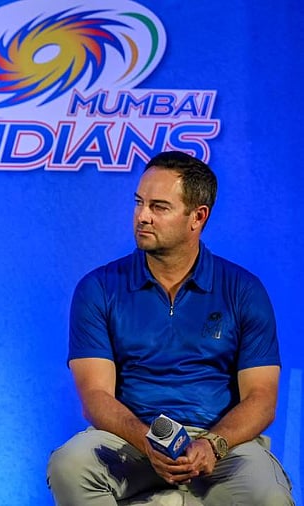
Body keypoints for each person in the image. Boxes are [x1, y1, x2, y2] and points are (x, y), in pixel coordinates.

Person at [46, 151, 294, 505]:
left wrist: (213, 444)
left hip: (220, 446)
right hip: (131, 441)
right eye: (139, 203)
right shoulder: (98, 288)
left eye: (159, 207)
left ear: (197, 217)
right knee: (69, 464)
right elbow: (95, 397)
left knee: (269, 495)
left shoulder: (243, 290)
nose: (142, 216)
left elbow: (262, 399)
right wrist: (145, 439)